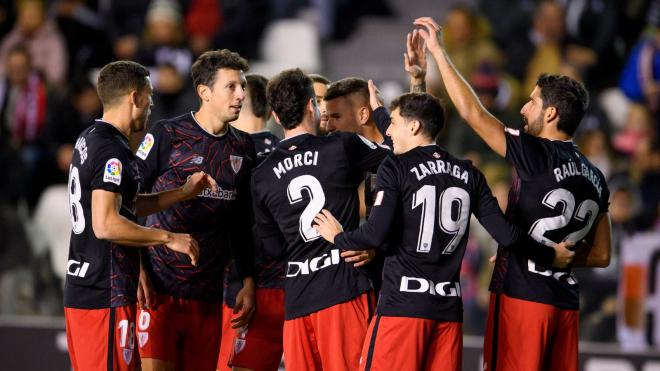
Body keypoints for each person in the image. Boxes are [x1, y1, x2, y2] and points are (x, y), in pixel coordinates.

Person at [312, 92, 575, 371]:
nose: (388, 130)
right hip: (448, 314)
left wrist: (338, 236)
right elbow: (507, 235)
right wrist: (550, 255)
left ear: (413, 127)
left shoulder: (396, 166)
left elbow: (374, 235)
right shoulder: (469, 172)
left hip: (403, 307)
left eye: (393, 123)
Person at [414, 16, 612, 371]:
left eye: (533, 102)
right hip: (564, 305)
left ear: (551, 113)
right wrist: (547, 255)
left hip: (523, 299)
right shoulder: (597, 176)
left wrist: (439, 53)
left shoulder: (536, 152)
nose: (523, 108)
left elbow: (472, 112)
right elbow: (600, 255)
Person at [64, 60, 211, 371]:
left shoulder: (90, 138)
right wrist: (168, 238)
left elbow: (126, 206)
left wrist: (181, 193)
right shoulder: (110, 151)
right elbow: (106, 224)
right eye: (150, 94)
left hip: (88, 289)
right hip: (104, 292)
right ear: (134, 98)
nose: (153, 103)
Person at [251, 68, 389, 371]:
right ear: (311, 105)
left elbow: (273, 248)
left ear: (275, 115)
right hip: (343, 290)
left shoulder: (260, 175)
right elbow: (397, 152)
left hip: (298, 303)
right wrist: (380, 113)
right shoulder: (340, 146)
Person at [134, 49, 256, 371]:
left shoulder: (244, 147)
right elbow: (126, 202)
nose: (241, 94)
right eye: (231, 86)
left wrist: (248, 279)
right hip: (158, 293)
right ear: (204, 92)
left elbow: (242, 222)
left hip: (208, 296)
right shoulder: (167, 134)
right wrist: (137, 268)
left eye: (242, 86)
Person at [218, 73, 284, 371]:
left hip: (238, 291)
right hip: (288, 288)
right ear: (271, 112)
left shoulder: (225, 156)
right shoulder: (290, 156)